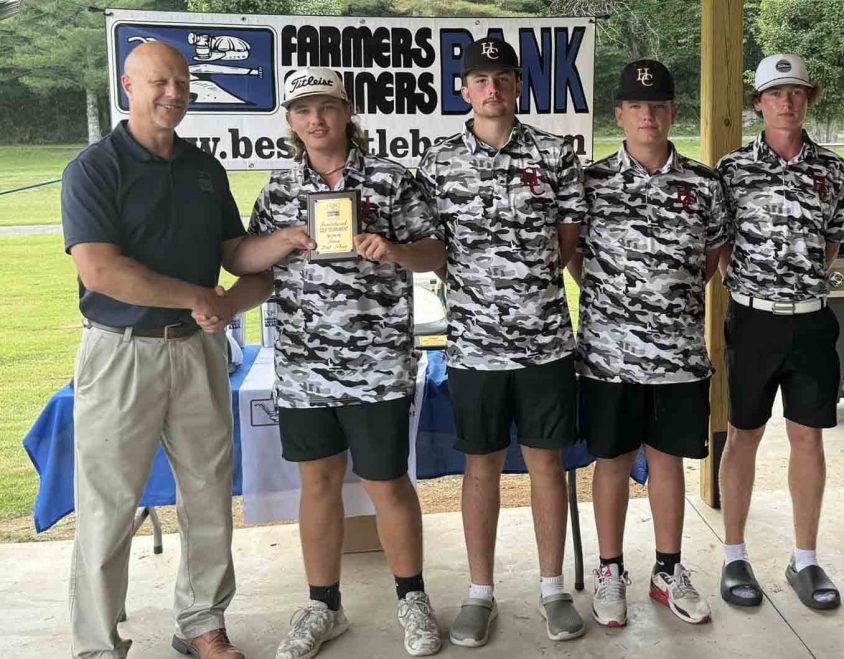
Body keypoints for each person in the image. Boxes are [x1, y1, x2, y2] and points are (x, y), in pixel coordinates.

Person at [224, 67, 447, 657]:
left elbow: (435, 253)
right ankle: (324, 604)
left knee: (387, 483)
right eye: (302, 110)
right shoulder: (278, 189)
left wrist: (395, 250)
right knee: (317, 483)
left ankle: (412, 598)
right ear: (291, 122)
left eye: (326, 106)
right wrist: (274, 249)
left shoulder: (392, 181)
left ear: (346, 111)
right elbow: (251, 267)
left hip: (376, 365)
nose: (315, 119)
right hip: (302, 367)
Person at [61, 42, 272, 659]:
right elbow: (101, 271)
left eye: (181, 83)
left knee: (207, 493)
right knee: (109, 505)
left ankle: (202, 622)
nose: (172, 93)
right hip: (120, 351)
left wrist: (285, 241)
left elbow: (235, 252)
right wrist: (198, 296)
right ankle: (99, 644)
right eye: (159, 82)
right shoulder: (95, 168)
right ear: (128, 84)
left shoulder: (205, 169)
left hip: (198, 350)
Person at [415, 37, 586, 645]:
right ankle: (480, 594)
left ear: (519, 86)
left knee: (546, 462)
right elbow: (430, 245)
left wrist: (526, 286)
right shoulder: (438, 163)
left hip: (543, 341)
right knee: (480, 466)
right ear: (464, 90)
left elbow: (569, 234)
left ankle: (552, 589)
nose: (493, 88)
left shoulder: (555, 152)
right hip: (473, 346)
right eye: (480, 79)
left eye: (504, 78)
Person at [569, 59, 727, 628]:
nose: (648, 115)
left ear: (672, 114)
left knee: (668, 462)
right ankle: (611, 571)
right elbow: (574, 255)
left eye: (658, 106)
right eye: (637, 106)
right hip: (608, 356)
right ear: (618, 114)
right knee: (609, 462)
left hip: (680, 356)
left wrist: (665, 303)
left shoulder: (704, 184)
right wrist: (620, 304)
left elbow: (710, 259)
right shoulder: (591, 183)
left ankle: (668, 571)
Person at [715, 53, 844, 611]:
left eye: (797, 92)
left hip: (813, 320)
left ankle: (805, 558)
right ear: (759, 104)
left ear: (808, 101)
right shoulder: (730, 170)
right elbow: (719, 244)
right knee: (742, 433)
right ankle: (733, 554)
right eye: (776, 93)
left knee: (808, 437)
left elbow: (833, 243)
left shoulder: (833, 170)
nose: (788, 101)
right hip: (752, 320)